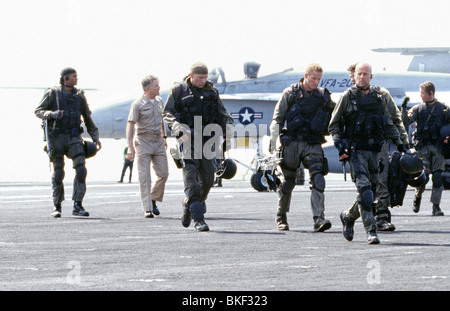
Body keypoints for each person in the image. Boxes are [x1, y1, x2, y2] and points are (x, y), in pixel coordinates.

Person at [329, 63, 407, 244]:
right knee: (364, 192)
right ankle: (371, 231)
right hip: (357, 151)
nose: (362, 77)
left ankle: (348, 216)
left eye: (365, 74)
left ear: (371, 77)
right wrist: (340, 144)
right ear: (354, 76)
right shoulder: (347, 97)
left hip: (376, 151)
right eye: (359, 74)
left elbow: (388, 123)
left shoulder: (380, 97)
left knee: (370, 193)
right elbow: (334, 124)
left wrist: (400, 144)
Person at [163, 62, 233, 231]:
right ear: (191, 75)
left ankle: (189, 204)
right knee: (192, 182)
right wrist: (177, 127)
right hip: (187, 140)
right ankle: (199, 220)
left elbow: (223, 114)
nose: (202, 81)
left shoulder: (212, 92)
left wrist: (228, 132)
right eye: (199, 78)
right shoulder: (179, 90)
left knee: (208, 181)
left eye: (205, 77)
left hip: (207, 142)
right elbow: (168, 112)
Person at [269, 63, 335, 232]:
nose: (316, 82)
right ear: (306, 76)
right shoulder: (290, 93)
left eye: (319, 79)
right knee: (288, 182)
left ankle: (319, 218)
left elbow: (336, 117)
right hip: (292, 143)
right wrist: (274, 142)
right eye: (313, 78)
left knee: (318, 178)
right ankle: (281, 216)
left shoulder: (323, 96)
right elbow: (278, 118)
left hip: (312, 143)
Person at [35, 67, 101, 218]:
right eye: (73, 76)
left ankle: (78, 204)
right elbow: (38, 111)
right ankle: (57, 205)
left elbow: (88, 118)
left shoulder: (79, 96)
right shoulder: (52, 93)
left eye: (76, 76)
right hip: (57, 137)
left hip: (74, 137)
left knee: (81, 170)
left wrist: (96, 138)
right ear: (65, 78)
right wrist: (53, 114)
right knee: (58, 173)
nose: (76, 79)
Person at [401, 81, 450, 216]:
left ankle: (436, 206)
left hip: (438, 147)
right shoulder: (418, 109)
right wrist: (404, 108)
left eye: (422, 93)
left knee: (438, 177)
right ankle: (418, 196)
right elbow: (405, 122)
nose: (420, 95)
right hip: (423, 148)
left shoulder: (444, 109)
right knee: (423, 177)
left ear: (431, 93)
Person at [126, 75, 169, 218]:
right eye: (156, 85)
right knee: (145, 176)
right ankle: (148, 208)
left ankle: (153, 198)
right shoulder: (137, 104)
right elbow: (130, 125)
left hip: (158, 141)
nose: (159, 88)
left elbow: (162, 120)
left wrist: (164, 137)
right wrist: (130, 148)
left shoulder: (159, 101)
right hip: (143, 142)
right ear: (148, 88)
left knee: (163, 174)